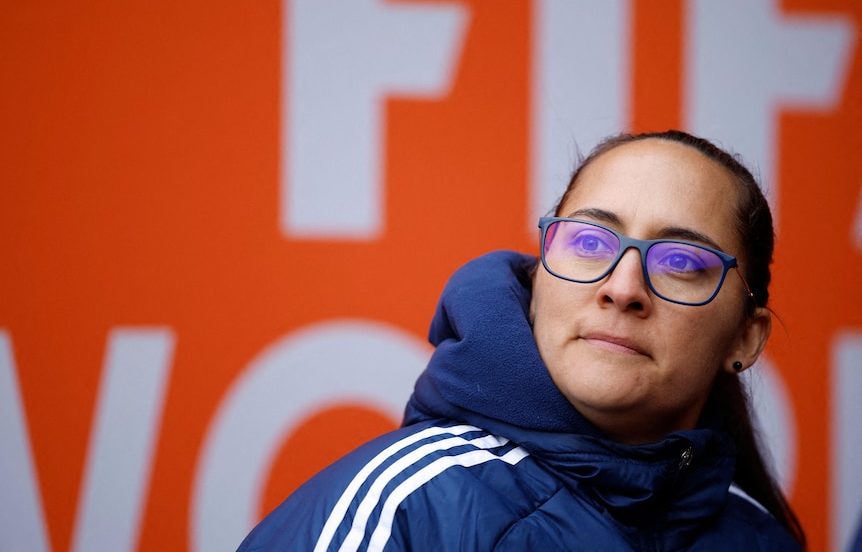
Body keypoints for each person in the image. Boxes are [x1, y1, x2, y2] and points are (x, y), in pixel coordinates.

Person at [237, 130, 805, 551]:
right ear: (538, 284)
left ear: (746, 337)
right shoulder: (410, 506)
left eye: (681, 260)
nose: (623, 287)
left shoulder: (760, 540)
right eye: (588, 242)